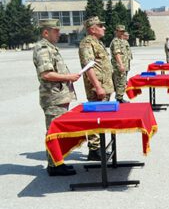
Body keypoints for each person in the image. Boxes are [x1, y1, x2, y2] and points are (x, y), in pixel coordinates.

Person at [33, 19, 82, 176]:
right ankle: (54, 165)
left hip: (59, 96)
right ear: (45, 32)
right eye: (56, 31)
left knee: (58, 131)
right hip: (52, 97)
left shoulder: (51, 48)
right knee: (53, 131)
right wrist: (68, 77)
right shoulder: (42, 48)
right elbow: (46, 74)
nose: (59, 33)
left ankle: (57, 162)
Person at [78, 16, 114, 161]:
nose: (104, 28)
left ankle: (99, 147)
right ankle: (94, 149)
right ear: (92, 29)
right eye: (101, 26)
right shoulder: (87, 43)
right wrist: (98, 86)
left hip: (105, 86)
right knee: (95, 118)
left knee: (102, 118)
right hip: (97, 89)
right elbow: (88, 67)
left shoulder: (97, 42)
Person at [110, 25, 132, 102]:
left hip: (125, 65)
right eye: (120, 31)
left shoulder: (122, 41)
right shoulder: (116, 41)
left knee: (123, 81)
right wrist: (121, 65)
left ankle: (120, 97)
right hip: (119, 66)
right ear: (116, 32)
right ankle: (119, 98)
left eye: (123, 31)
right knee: (120, 82)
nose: (122, 33)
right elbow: (117, 54)